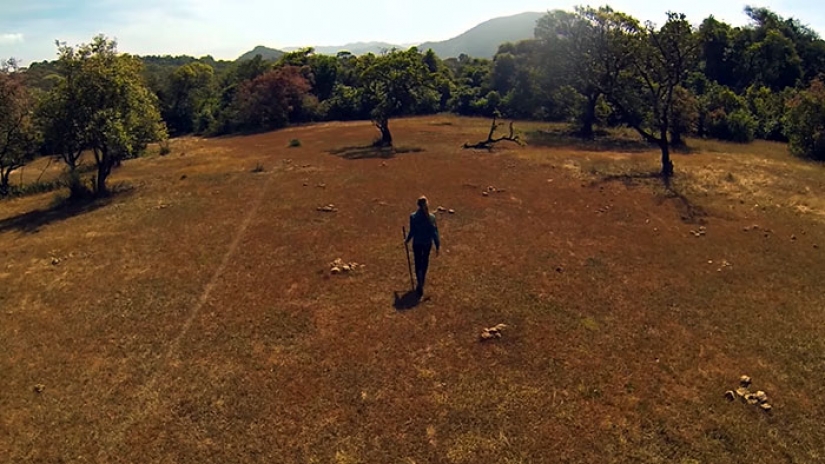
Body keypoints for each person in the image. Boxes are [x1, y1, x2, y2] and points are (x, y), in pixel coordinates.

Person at [405, 196, 441, 297]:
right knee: (425, 261)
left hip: (417, 243)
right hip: (427, 243)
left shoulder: (413, 217)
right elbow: (434, 232)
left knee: (417, 262)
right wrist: (437, 245)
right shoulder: (432, 217)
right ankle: (422, 281)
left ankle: (419, 279)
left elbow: (412, 231)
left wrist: (407, 240)